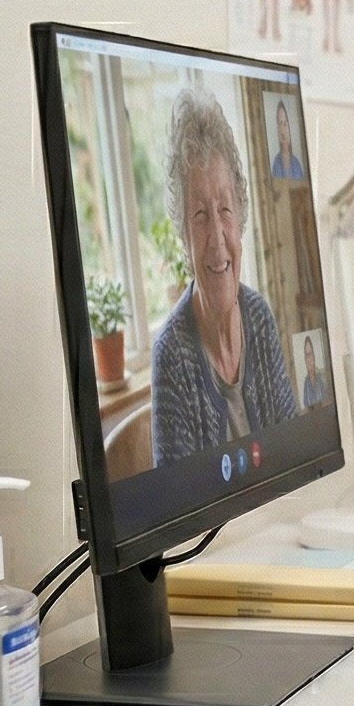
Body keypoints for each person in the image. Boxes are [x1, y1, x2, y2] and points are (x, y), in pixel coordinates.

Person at [148, 87, 298, 467]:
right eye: (199, 215)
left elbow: (293, 459)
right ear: (183, 234)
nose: (217, 237)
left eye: (225, 210)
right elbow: (176, 507)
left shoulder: (259, 318)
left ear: (241, 216)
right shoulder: (171, 355)